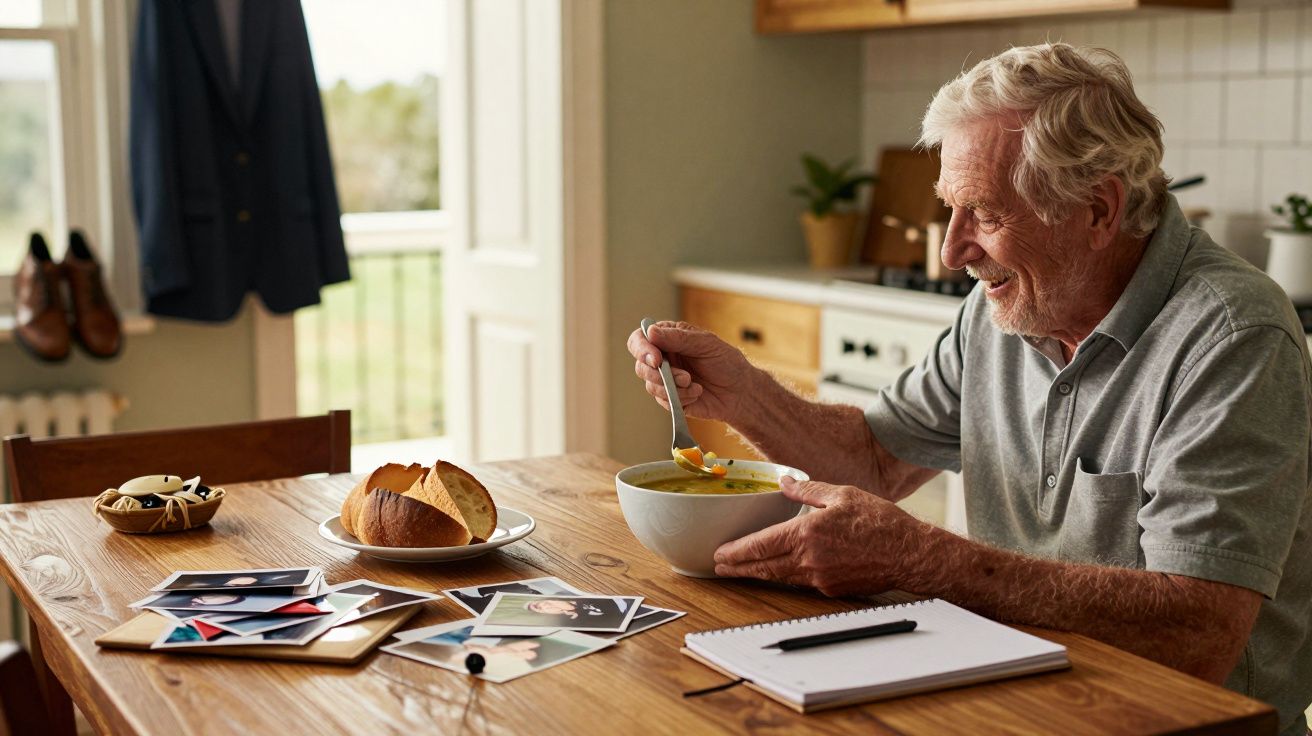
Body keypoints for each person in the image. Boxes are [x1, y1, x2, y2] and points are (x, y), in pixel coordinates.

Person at [628, 43, 1311, 735]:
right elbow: (874, 461)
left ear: (1099, 210)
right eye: (949, 211)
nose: (953, 252)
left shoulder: (1231, 336)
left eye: (983, 213)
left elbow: (1199, 631)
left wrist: (925, 561)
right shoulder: (1003, 308)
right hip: (1021, 696)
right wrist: (741, 392)